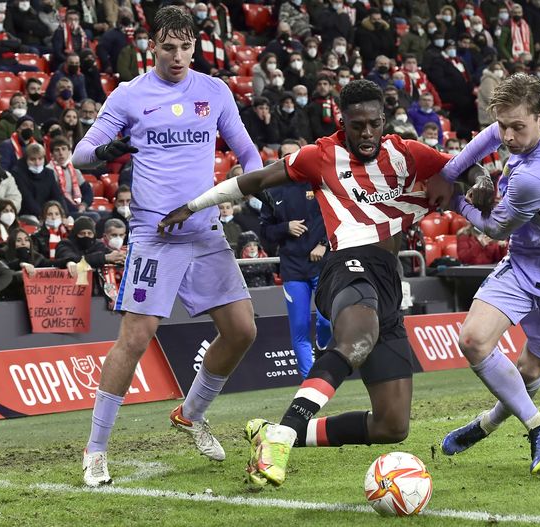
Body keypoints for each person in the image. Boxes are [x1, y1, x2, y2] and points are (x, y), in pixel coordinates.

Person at [158, 79, 455, 488]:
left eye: (372, 124)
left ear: (384, 121)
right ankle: (282, 435)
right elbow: (256, 181)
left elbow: (462, 169)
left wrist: (479, 183)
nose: (365, 133)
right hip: (346, 264)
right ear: (342, 123)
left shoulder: (407, 153)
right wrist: (192, 207)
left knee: (391, 425)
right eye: (356, 125)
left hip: (387, 279)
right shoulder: (320, 155)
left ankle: (273, 434)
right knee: (356, 340)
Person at [71, 6, 262, 488]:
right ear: (151, 46)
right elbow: (80, 156)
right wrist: (107, 152)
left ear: (195, 46)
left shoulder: (214, 91)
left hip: (205, 231)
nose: (177, 56)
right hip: (155, 238)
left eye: (185, 47)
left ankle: (191, 413)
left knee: (242, 330)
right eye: (168, 47)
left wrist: (243, 184)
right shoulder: (130, 95)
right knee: (135, 338)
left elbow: (249, 153)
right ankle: (95, 451)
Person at [422, 74, 540, 475]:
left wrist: (454, 198)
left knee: (528, 371)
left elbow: (492, 229)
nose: (507, 136)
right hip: (527, 260)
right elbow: (489, 135)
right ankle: (539, 425)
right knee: (472, 340)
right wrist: (451, 170)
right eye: (504, 125)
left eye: (516, 127)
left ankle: (486, 423)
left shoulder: (533, 178)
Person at [260, 141, 332, 378]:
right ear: (280, 160)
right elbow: (265, 233)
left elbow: (336, 218)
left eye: (295, 155)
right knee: (300, 329)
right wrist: (284, 227)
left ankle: (323, 347)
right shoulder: (272, 192)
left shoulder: (319, 182)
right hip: (292, 268)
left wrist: (323, 244)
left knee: (327, 322)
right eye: (285, 156)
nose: (290, 160)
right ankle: (309, 384)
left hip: (322, 265)